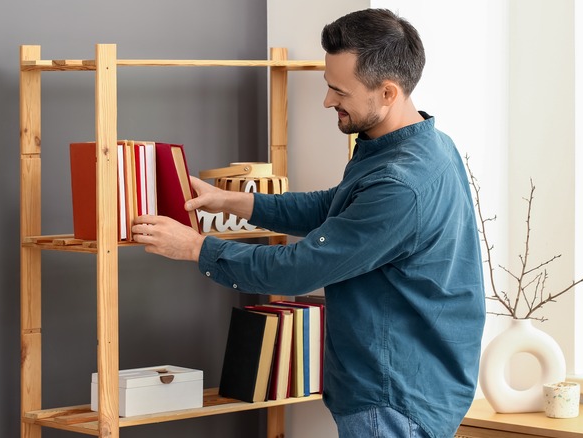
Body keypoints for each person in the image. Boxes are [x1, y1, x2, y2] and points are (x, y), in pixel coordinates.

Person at [132, 8, 485, 438]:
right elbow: (338, 208)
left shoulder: (401, 185)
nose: (327, 101)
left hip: (393, 401)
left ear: (388, 92)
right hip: (411, 386)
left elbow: (300, 268)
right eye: (327, 85)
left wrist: (196, 248)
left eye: (339, 90)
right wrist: (238, 202)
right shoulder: (420, 145)